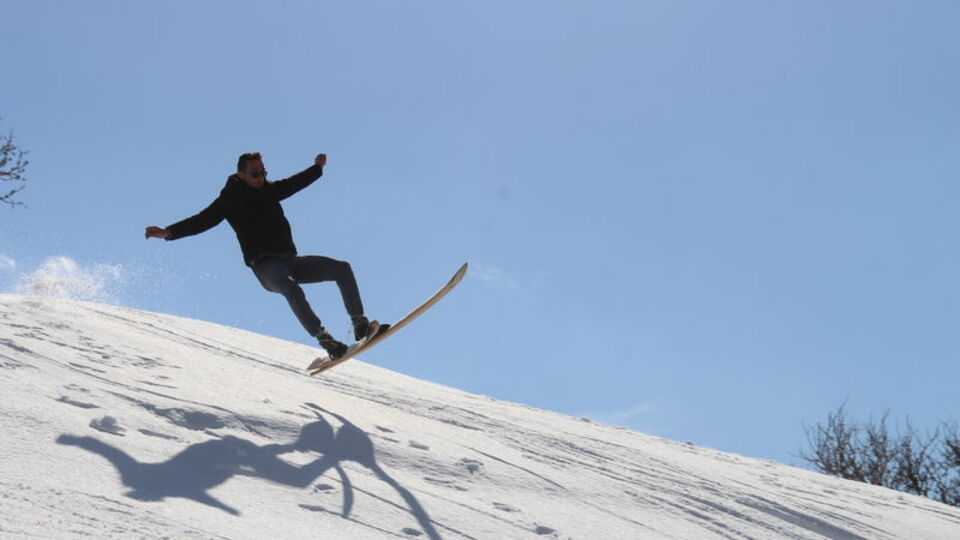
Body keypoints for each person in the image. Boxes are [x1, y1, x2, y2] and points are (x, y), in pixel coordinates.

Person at [145, 152, 386, 360]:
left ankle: (359, 324)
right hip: (267, 269)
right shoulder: (230, 200)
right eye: (254, 174)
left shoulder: (269, 190)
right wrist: (169, 232)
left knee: (342, 268)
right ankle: (325, 340)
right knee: (291, 289)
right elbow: (203, 220)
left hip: (292, 261)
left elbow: (294, 183)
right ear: (240, 175)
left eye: (263, 172)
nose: (260, 178)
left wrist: (317, 168)